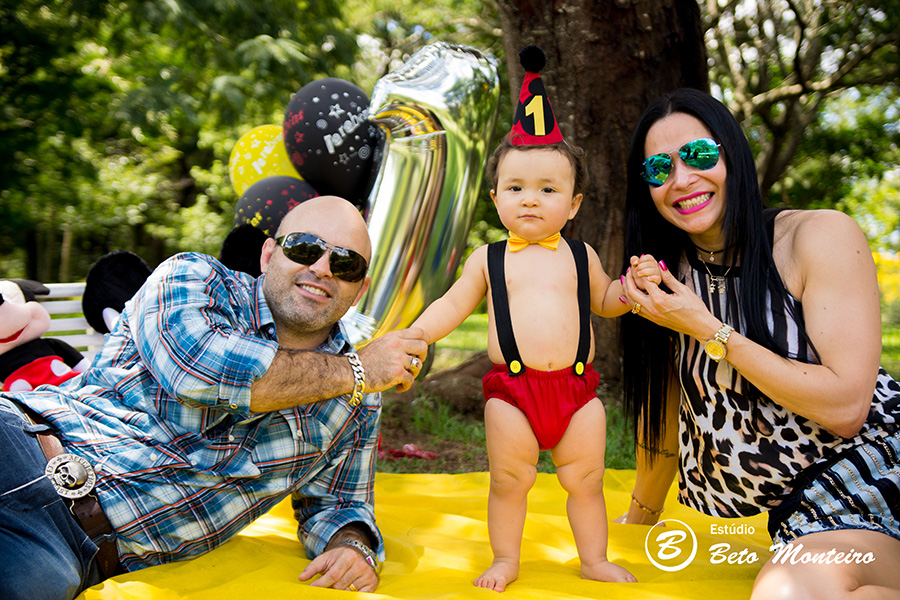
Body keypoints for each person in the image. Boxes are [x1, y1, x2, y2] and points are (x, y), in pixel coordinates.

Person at [0, 195, 428, 600]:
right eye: (303, 247)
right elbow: (199, 371)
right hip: (21, 447)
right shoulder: (193, 278)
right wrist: (358, 370)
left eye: (346, 263)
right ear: (267, 256)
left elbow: (340, 503)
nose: (322, 268)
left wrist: (355, 548)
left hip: (70, 551)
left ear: (360, 287)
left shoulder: (357, 397)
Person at [618, 87, 900, 598]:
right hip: (816, 511)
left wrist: (709, 329)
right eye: (659, 169)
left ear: (733, 154)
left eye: (699, 155)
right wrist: (641, 516)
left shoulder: (816, 237)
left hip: (878, 468)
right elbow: (666, 398)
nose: (682, 180)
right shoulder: (663, 277)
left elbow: (847, 407)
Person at [412, 46, 654, 592]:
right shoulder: (489, 259)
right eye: (516, 188)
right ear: (495, 197)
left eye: (548, 190)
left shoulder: (579, 254)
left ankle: (593, 559)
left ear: (573, 205)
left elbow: (605, 302)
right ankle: (505, 560)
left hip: (575, 392)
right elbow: (453, 305)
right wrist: (420, 333)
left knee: (587, 482)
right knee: (509, 480)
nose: (530, 200)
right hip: (513, 392)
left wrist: (632, 290)